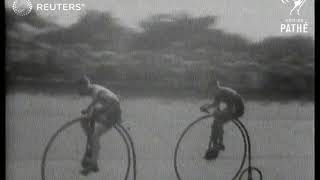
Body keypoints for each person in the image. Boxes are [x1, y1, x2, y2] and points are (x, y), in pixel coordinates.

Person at [76, 75, 122, 175]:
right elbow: (95, 103)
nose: (80, 92)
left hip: (113, 111)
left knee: (96, 133)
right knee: (84, 120)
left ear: (85, 86)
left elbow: (96, 101)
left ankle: (93, 163)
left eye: (80, 89)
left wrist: (90, 112)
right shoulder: (95, 89)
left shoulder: (95, 90)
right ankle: (92, 144)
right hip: (107, 109)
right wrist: (88, 110)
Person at [200, 80, 244, 160]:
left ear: (215, 87)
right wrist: (206, 107)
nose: (211, 92)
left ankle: (219, 143)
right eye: (210, 90)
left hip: (238, 108)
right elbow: (215, 105)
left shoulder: (222, 92)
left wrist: (218, 112)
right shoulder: (218, 93)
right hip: (232, 107)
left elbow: (231, 105)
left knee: (218, 120)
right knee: (216, 122)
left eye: (211, 90)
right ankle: (216, 143)